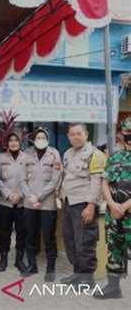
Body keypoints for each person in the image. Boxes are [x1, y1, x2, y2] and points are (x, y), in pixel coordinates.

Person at [60, 123, 106, 287]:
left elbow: (96, 181)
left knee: (85, 241)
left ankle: (87, 279)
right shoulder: (67, 153)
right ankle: (78, 273)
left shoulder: (95, 154)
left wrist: (91, 205)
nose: (75, 137)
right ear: (68, 136)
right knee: (71, 240)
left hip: (84, 204)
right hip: (69, 203)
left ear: (86, 134)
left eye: (79, 134)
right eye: (72, 134)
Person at [94, 117, 131, 299]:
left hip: (127, 211)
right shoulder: (115, 156)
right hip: (114, 214)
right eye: (128, 133)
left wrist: (124, 206)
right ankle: (113, 287)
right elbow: (104, 181)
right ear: (120, 134)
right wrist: (111, 204)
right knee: (114, 249)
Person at [20, 128, 62, 282]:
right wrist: (31, 197)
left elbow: (55, 179)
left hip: (47, 203)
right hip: (30, 203)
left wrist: (39, 197)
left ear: (48, 139)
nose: (40, 139)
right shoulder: (27, 154)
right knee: (30, 235)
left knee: (49, 236)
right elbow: (22, 179)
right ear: (33, 139)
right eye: (38, 137)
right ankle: (32, 265)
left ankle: (51, 268)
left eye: (43, 137)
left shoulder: (54, 154)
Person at [0, 132, 27, 274]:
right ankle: (3, 258)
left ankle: (19, 259)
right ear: (7, 143)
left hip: (22, 202)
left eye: (16, 140)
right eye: (11, 140)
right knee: (4, 231)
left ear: (20, 142)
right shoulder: (1, 158)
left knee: (22, 232)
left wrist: (19, 195)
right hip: (4, 202)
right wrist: (9, 195)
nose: (13, 143)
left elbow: (29, 179)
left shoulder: (26, 158)